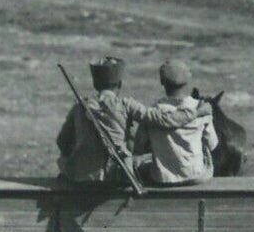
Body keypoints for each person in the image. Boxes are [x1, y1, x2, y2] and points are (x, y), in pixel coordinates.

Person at [56, 56, 209, 185]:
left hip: (82, 177)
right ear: (119, 84)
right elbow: (166, 120)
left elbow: (62, 142)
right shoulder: (126, 105)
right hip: (117, 176)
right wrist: (197, 112)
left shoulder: (80, 106)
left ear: (95, 84)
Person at [134, 60, 219, 186]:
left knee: (141, 167)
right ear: (188, 80)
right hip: (197, 176)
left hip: (162, 178)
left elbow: (138, 147)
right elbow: (212, 145)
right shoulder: (201, 108)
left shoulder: (153, 112)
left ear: (162, 82)